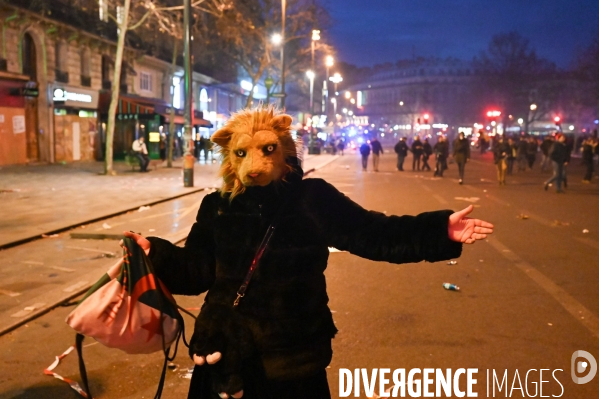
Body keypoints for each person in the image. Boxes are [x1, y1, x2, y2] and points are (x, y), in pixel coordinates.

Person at [123, 107, 494, 399]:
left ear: (283, 149)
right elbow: (198, 270)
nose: (255, 164)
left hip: (293, 365)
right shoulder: (217, 206)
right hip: (225, 355)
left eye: (267, 150)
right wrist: (154, 253)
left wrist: (439, 230)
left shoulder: (312, 198)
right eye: (242, 153)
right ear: (231, 157)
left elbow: (376, 234)